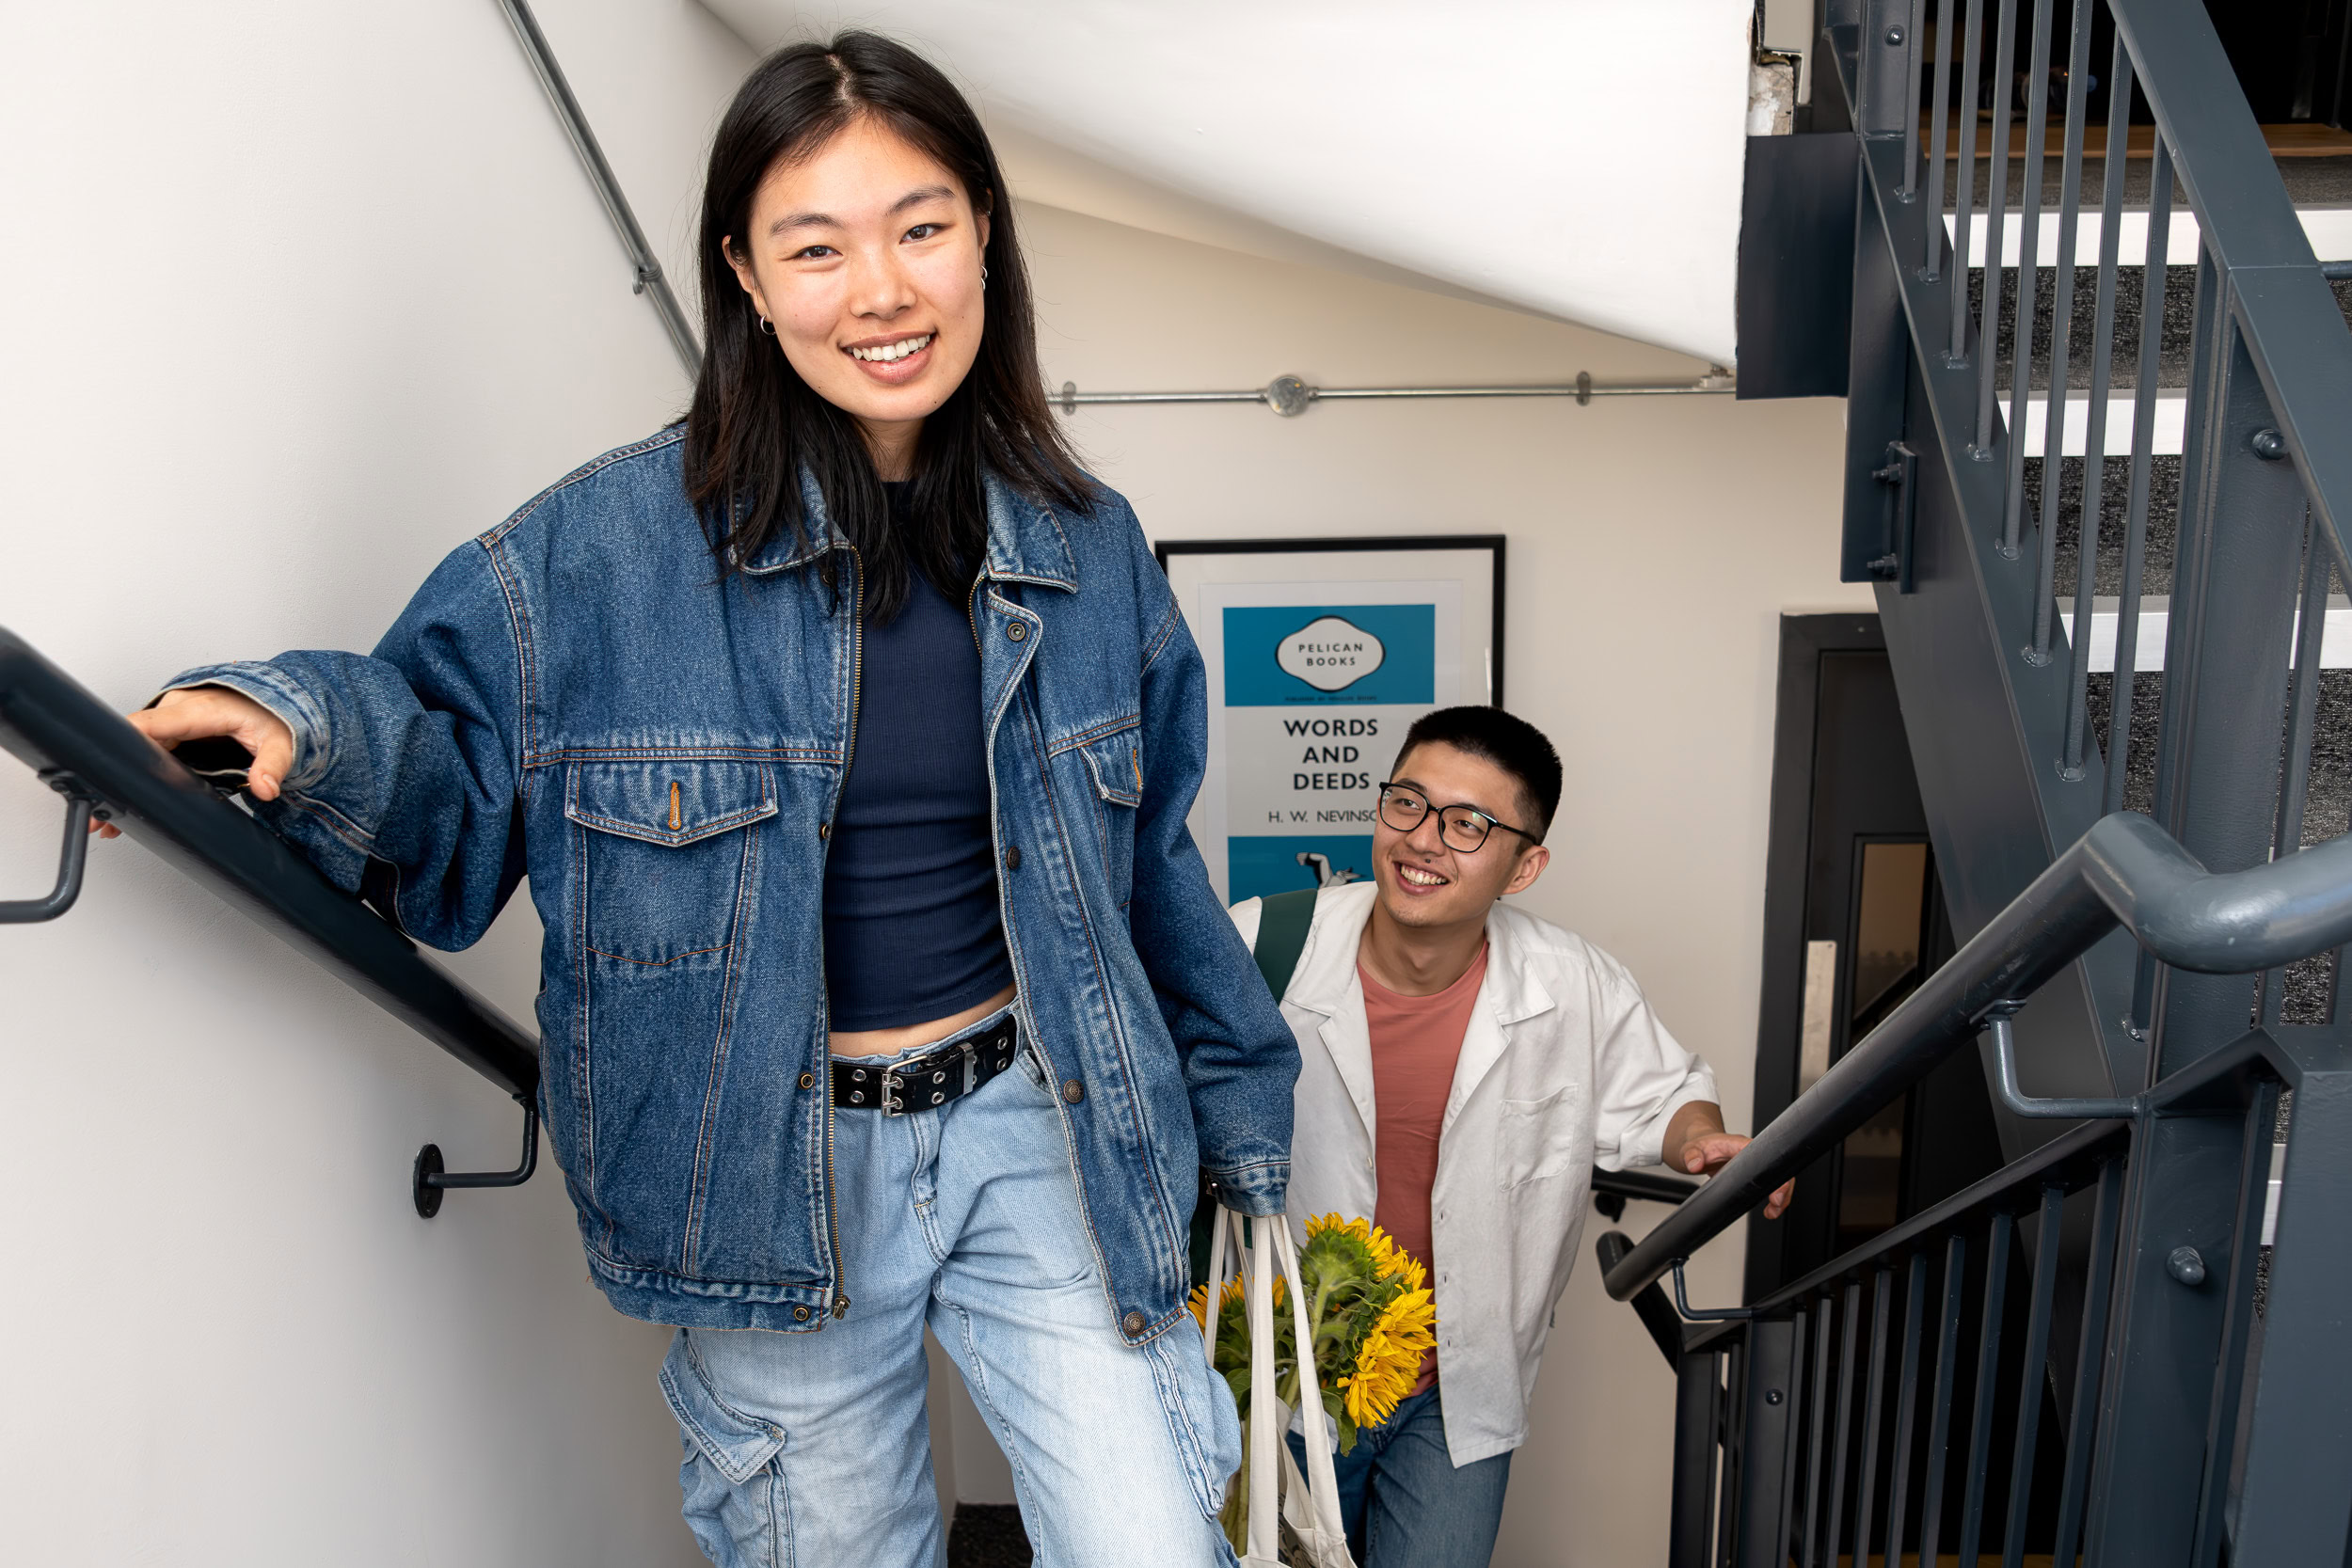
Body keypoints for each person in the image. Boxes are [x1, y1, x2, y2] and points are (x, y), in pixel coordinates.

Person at [100, 34, 1295, 1568]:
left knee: (1157, 1544)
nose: (883, 290)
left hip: (1035, 1122)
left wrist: (1243, 1120)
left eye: (922, 226)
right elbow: (454, 763)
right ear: (743, 272)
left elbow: (1153, 872)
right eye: (817, 246)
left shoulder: (1088, 544)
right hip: (764, 1174)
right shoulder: (604, 549)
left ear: (985, 231)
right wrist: (288, 720)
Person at [1232, 705, 1791, 1568]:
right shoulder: (1265, 943)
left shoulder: (1573, 983)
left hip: (1459, 1388)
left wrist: (1700, 1139)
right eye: (1407, 803)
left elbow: (1667, 1096)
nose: (1423, 841)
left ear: (1524, 865)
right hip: (1290, 1373)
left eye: (1468, 825)